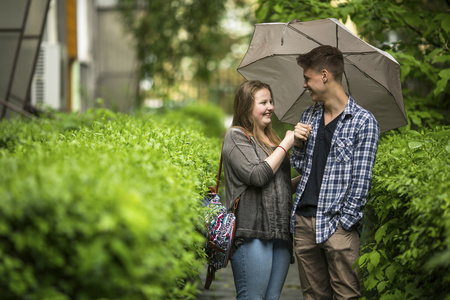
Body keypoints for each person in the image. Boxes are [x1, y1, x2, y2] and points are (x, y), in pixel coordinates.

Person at [290, 45, 380, 299]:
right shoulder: (309, 115)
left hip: (338, 227)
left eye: (307, 78)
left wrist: (345, 225)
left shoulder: (363, 121)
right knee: (313, 295)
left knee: (346, 296)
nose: (304, 85)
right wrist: (297, 144)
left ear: (325, 75)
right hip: (305, 222)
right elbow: (305, 168)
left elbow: (361, 183)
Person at [223, 80, 300, 300]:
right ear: (247, 107)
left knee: (272, 297)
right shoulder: (236, 137)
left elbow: (281, 186)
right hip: (252, 233)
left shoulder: (272, 138)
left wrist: (307, 178)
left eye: (271, 101)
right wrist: (286, 144)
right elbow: (258, 176)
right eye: (263, 102)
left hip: (280, 231)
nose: (270, 107)